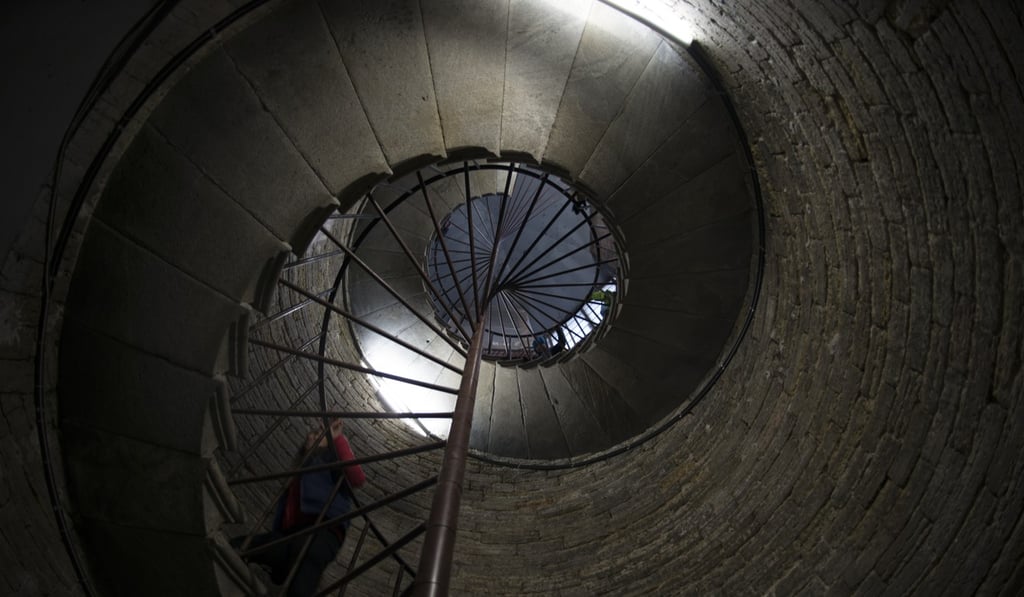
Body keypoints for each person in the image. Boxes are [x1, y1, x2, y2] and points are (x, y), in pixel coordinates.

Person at [235, 419, 365, 596]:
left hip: (323, 530)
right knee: (245, 545)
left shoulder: (331, 462)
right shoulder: (302, 471)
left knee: (302, 583)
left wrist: (338, 438)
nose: (311, 436)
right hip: (292, 535)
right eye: (310, 434)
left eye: (317, 434)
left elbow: (357, 478)